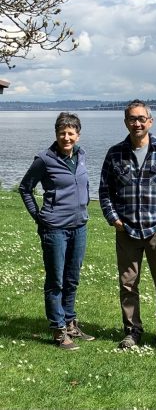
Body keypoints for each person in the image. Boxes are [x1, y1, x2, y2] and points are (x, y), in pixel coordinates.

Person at [99, 99, 156, 349]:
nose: (137, 123)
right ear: (126, 122)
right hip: (126, 230)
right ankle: (132, 330)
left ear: (150, 121)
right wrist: (113, 218)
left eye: (141, 118)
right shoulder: (115, 153)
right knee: (128, 284)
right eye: (132, 119)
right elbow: (105, 191)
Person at [19, 112, 95, 350]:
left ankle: (70, 322)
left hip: (79, 226)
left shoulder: (81, 155)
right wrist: (39, 216)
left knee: (72, 278)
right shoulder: (44, 159)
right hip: (54, 229)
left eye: (71, 133)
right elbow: (25, 188)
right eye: (62, 133)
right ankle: (58, 329)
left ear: (78, 135)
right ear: (56, 134)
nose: (66, 137)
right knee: (56, 281)